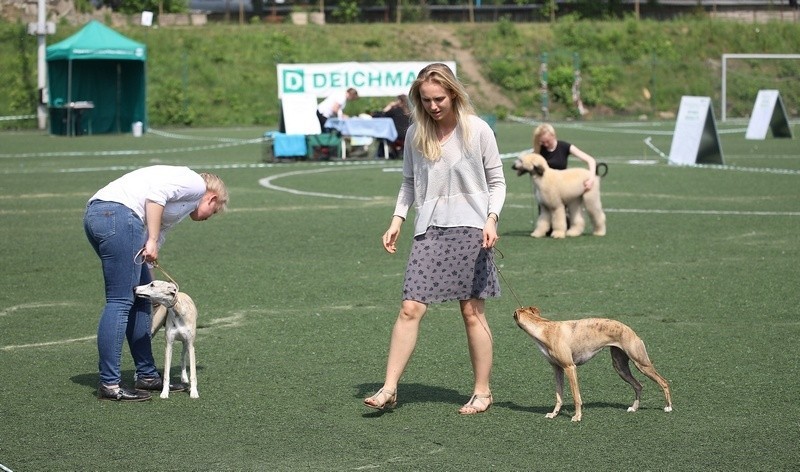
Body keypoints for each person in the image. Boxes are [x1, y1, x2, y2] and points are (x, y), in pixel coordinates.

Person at [363, 63, 506, 415]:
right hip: (428, 230)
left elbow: (498, 181)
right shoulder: (416, 133)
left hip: (472, 229)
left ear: (454, 94)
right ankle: (389, 388)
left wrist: (491, 219)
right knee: (410, 307)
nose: (433, 106)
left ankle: (482, 391)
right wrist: (397, 218)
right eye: (425, 100)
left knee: (472, 312)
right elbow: (409, 182)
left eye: (439, 99)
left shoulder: (478, 130)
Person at [83, 166, 228, 401]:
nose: (210, 217)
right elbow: (155, 196)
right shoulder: (196, 185)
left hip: (100, 216)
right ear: (211, 198)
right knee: (120, 301)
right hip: (117, 217)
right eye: (214, 210)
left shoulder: (181, 205)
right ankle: (110, 383)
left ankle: (147, 376)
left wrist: (150, 281)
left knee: (142, 299)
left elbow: (157, 233)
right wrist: (150, 239)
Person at [532, 123, 597, 190]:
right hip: (546, 188)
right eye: (542, 142)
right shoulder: (539, 150)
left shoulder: (564, 146)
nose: (545, 144)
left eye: (548, 141)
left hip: (562, 186)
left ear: (553, 136)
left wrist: (591, 179)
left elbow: (590, 160)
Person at [372, 94, 411, 159]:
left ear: (398, 101)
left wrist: (388, 107)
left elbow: (376, 116)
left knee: (383, 136)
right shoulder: (409, 112)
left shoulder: (395, 111)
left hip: (397, 135)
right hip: (407, 134)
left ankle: (381, 154)